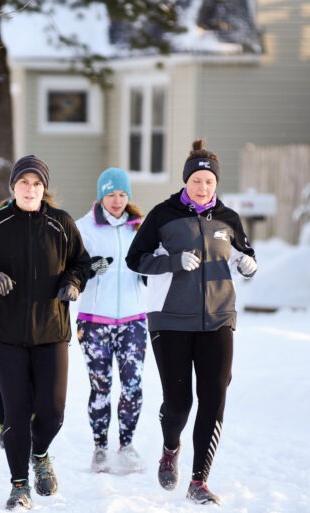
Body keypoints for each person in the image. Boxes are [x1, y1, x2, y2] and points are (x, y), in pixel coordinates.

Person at [125, 139, 258, 506]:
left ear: (216, 184)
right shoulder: (163, 215)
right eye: (196, 180)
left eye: (209, 182)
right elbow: (134, 259)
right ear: (186, 182)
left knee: (214, 397)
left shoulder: (228, 219)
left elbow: (245, 255)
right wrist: (171, 261)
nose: (202, 187)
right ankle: (170, 447)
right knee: (179, 403)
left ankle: (199, 479)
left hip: (218, 319)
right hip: (169, 320)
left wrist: (249, 265)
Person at [0, 155, 90, 510]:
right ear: (13, 186)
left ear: (44, 188)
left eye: (36, 183)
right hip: (4, 335)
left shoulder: (61, 224)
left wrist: (73, 282)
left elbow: (81, 263)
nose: (30, 189)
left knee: (53, 412)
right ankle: (19, 487)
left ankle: (41, 452)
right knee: (16, 412)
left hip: (51, 331)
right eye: (24, 183)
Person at [74, 167, 148, 474]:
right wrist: (89, 268)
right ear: (100, 195)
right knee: (100, 385)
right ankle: (101, 447)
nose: (116, 201)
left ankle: (127, 445)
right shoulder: (83, 228)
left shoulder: (140, 228)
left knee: (132, 385)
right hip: (94, 321)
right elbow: (71, 268)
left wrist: (149, 273)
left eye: (122, 194)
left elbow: (151, 266)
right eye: (110, 194)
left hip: (133, 319)